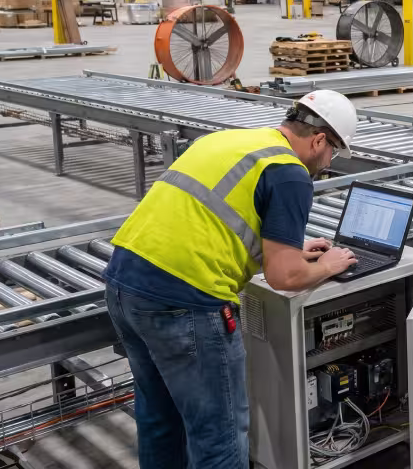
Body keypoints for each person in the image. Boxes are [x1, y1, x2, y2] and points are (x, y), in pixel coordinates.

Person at [102, 91, 361, 469]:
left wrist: (287, 246)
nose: (327, 163)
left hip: (124, 286)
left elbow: (207, 220)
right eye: (333, 152)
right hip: (184, 303)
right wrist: (328, 265)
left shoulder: (230, 140)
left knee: (161, 421)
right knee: (219, 438)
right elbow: (285, 276)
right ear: (320, 139)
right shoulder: (290, 173)